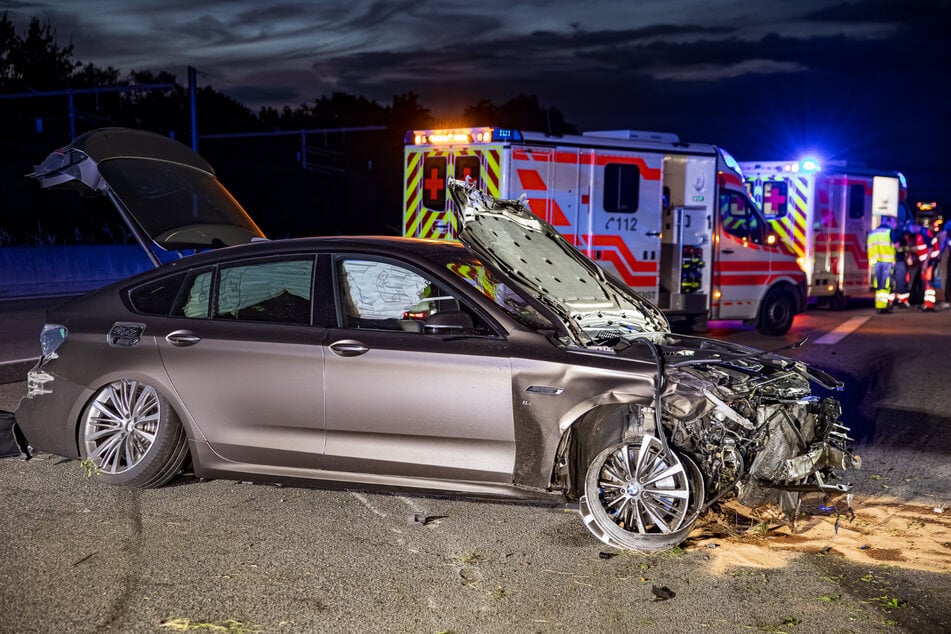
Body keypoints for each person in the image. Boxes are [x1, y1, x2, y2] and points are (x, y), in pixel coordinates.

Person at [867, 216, 896, 313]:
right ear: (888, 222)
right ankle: (883, 307)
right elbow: (895, 245)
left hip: (876, 261)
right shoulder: (889, 232)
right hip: (887, 261)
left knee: (879, 285)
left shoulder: (873, 233)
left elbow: (869, 247)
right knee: (885, 284)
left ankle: (879, 306)